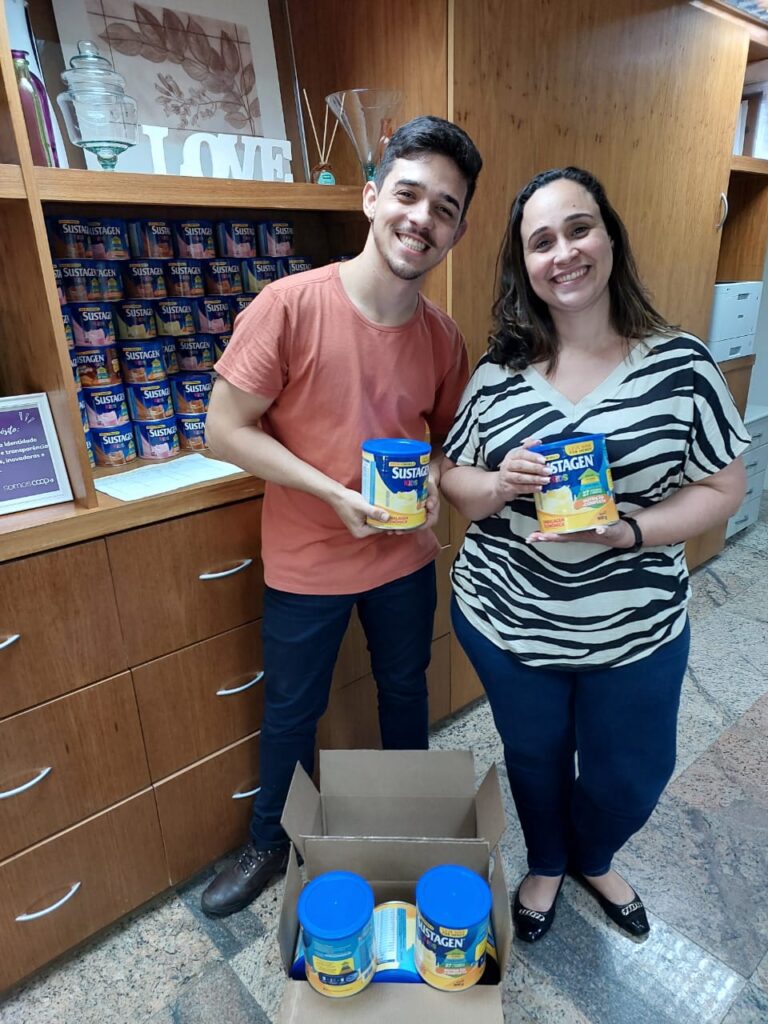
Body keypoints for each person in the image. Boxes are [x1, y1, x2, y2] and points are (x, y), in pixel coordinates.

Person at [440, 166, 749, 943]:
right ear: (525, 265)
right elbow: (455, 482)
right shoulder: (498, 375)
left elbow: (723, 486)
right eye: (541, 241)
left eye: (578, 229)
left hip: (636, 626)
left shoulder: (681, 365)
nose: (564, 253)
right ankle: (549, 862)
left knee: (631, 776)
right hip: (510, 621)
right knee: (534, 757)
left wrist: (630, 532)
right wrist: (498, 482)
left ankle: (594, 853)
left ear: (609, 236)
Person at [200, 115, 483, 917]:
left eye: (445, 209)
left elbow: (443, 443)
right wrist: (330, 492)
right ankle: (268, 842)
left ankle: (412, 826)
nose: (421, 219)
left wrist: (438, 480)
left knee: (405, 689)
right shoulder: (289, 306)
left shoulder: (442, 336)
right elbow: (224, 428)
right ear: (370, 197)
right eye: (408, 195)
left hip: (403, 557)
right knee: (293, 710)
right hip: (307, 558)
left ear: (457, 232)